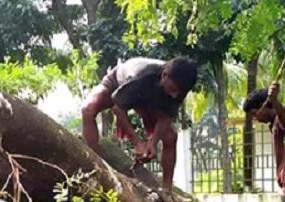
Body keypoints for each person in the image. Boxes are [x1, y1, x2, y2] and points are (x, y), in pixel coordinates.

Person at [82, 56, 198, 191]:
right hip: (119, 85)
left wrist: (152, 143)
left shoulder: (179, 85)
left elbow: (166, 117)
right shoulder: (141, 76)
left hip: (149, 100)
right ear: (164, 75)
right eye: (172, 89)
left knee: (170, 136)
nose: (174, 96)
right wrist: (137, 143)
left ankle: (167, 191)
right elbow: (117, 108)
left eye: (178, 92)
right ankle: (94, 166)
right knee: (88, 109)